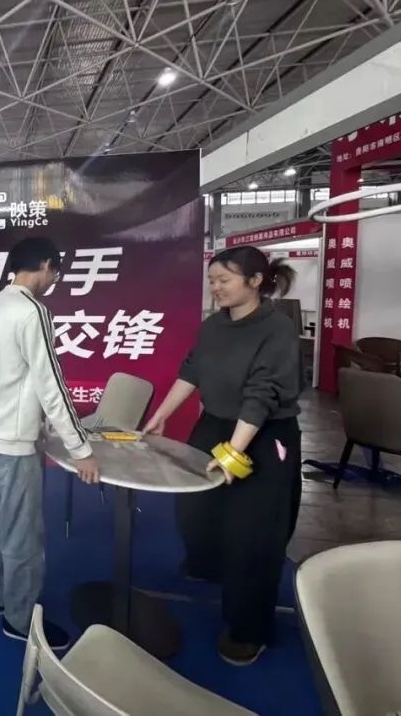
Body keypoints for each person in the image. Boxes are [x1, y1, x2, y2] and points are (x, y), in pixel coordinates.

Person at [142, 245, 302, 666]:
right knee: (194, 507)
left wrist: (234, 450)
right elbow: (192, 369)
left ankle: (248, 630)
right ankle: (208, 563)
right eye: (212, 280)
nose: (215, 288)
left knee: (252, 534)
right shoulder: (213, 326)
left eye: (224, 280)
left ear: (255, 281)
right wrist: (161, 415)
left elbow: (262, 395)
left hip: (264, 435)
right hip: (214, 424)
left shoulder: (277, 330)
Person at [0, 236, 99, 651]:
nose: (54, 279)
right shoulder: (32, 310)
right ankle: (20, 621)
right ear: (45, 265)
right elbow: (51, 384)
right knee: (21, 537)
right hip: (10, 444)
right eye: (55, 271)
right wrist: (81, 449)